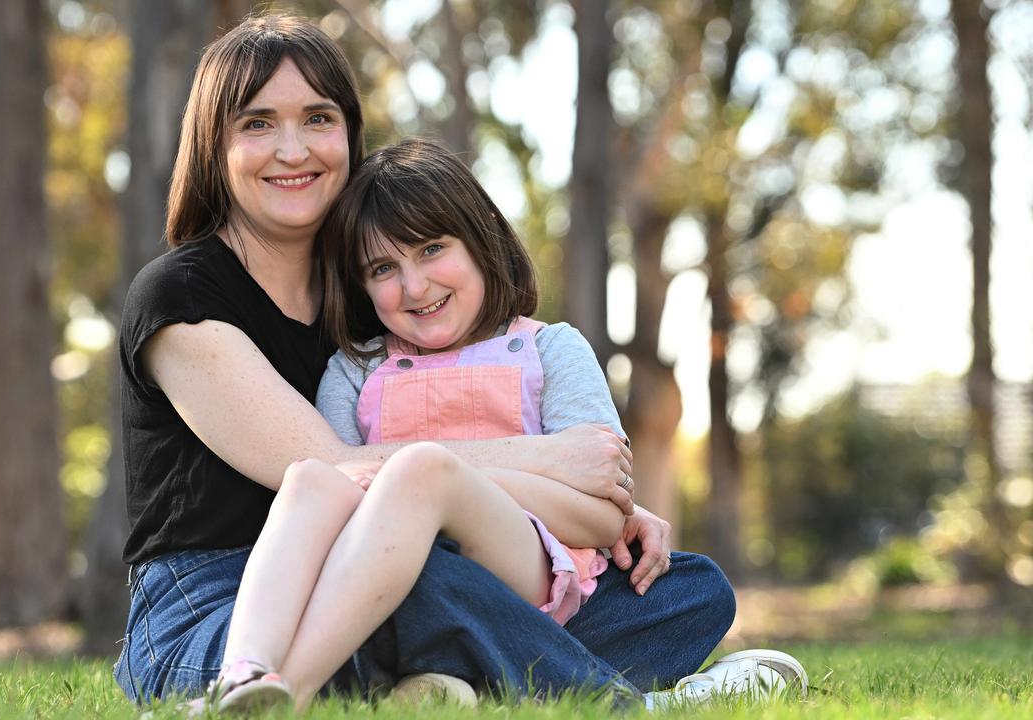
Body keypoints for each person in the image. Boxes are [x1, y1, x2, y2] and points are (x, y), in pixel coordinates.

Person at [112, 12, 797, 712]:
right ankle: (625, 701)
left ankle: (450, 678)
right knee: (426, 589)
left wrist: (610, 513)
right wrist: (551, 460)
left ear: (349, 133)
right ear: (213, 145)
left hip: (403, 563)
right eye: (257, 124)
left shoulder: (372, 293)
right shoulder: (181, 298)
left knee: (686, 588)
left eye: (318, 118)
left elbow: (432, 497)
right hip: (221, 606)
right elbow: (335, 469)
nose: (293, 149)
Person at [208, 138, 628, 712]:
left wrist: (448, 487)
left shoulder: (549, 349)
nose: (415, 286)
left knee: (420, 471)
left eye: (432, 249)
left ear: (481, 241)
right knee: (310, 474)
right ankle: (245, 671)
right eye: (385, 268)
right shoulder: (356, 369)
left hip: (526, 569)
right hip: (397, 575)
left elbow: (605, 517)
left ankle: (294, 693)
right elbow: (342, 495)